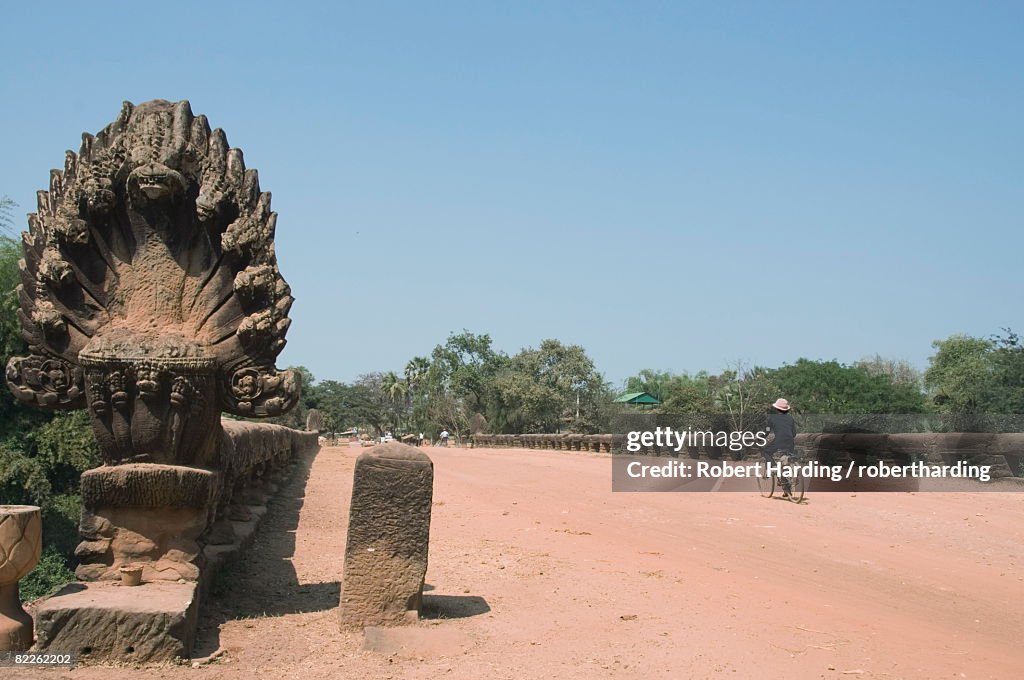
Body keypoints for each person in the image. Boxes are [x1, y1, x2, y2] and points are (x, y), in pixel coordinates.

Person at [763, 398, 797, 496]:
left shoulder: (771, 418)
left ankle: (773, 467)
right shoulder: (790, 418)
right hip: (790, 443)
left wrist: (760, 437)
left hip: (778, 441)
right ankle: (787, 490)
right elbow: (794, 433)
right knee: (785, 460)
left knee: (766, 451)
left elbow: (766, 430)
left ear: (776, 409)